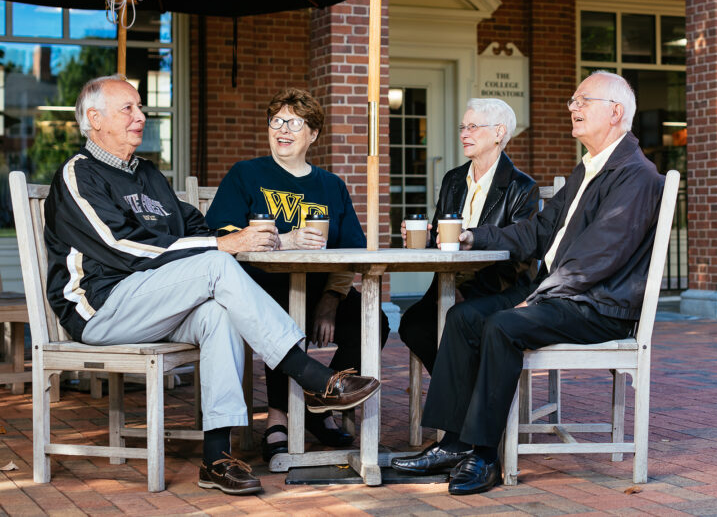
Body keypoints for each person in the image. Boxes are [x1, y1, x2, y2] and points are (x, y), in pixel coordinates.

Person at [43, 75, 380, 496]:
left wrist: (233, 237)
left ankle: (216, 457)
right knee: (215, 264)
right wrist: (225, 242)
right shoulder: (79, 174)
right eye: (128, 108)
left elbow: (192, 225)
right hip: (101, 305)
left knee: (218, 311)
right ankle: (313, 377)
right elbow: (122, 247)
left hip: (153, 301)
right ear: (94, 118)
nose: (141, 116)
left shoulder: (147, 174)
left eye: (140, 107)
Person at [391, 71, 663, 495]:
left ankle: (484, 456)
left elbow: (600, 258)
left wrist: (536, 298)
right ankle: (453, 443)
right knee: (462, 317)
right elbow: (535, 231)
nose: (571, 108)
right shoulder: (588, 168)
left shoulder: (636, 174)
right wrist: (474, 235)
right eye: (572, 101)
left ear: (615, 113)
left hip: (597, 305)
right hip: (563, 295)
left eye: (581, 101)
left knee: (502, 324)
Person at [204, 88, 390, 463]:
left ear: (313, 134)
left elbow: (351, 251)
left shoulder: (331, 185)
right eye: (276, 121)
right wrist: (282, 240)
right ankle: (279, 417)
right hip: (259, 290)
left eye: (294, 122)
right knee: (284, 315)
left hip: (322, 288)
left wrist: (331, 299)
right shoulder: (246, 174)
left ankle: (316, 402)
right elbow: (220, 238)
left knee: (374, 321)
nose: (283, 130)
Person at [398, 98, 538, 374]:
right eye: (463, 127)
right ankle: (460, 393)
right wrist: (425, 239)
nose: (464, 134)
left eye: (473, 126)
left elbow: (523, 254)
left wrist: (470, 290)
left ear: (499, 133)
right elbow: (445, 236)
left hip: (499, 286)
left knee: (458, 320)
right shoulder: (453, 180)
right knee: (413, 325)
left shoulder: (522, 187)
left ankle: (460, 399)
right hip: (449, 284)